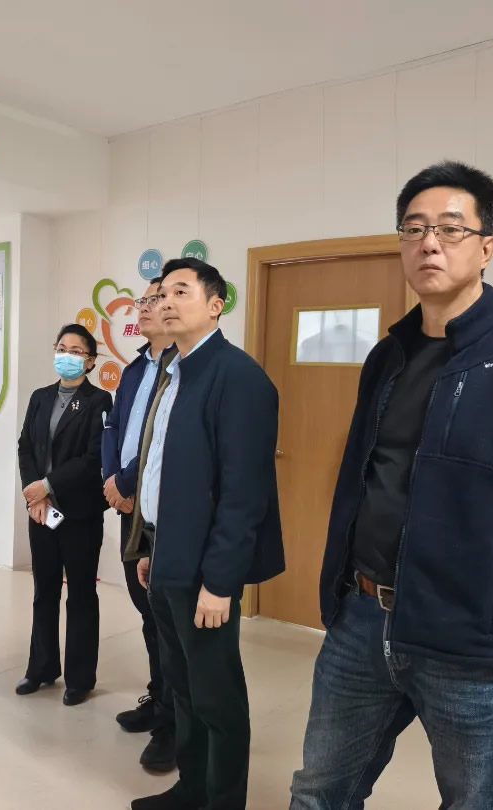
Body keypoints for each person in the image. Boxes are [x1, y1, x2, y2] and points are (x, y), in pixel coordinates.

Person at [290, 161, 493, 809]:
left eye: (451, 228)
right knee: (320, 790)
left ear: (486, 248)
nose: (429, 242)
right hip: (361, 620)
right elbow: (361, 481)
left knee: (473, 802)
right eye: (414, 228)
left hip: (468, 647)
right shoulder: (389, 355)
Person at [125, 258, 284, 810]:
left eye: (182, 292)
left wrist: (220, 582)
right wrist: (151, 545)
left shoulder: (238, 377)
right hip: (167, 551)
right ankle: (191, 789)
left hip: (205, 569)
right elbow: (163, 471)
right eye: (161, 293)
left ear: (216, 306)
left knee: (216, 692)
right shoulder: (174, 372)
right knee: (182, 684)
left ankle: (222, 800)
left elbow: (244, 495)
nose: (166, 302)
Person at [102, 281, 177, 773]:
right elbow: (114, 428)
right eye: (143, 301)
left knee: (168, 617)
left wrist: (126, 481)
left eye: (154, 300)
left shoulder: (182, 368)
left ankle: (175, 720)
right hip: (128, 504)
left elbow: (162, 440)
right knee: (147, 610)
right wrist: (112, 479)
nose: (145, 308)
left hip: (160, 505)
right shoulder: (134, 368)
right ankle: (159, 696)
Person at [16, 323, 112, 707]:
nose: (66, 356)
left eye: (76, 351)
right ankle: (41, 667)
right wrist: (34, 494)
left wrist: (48, 485)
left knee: (81, 594)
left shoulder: (99, 401)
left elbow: (93, 459)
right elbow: (25, 446)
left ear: (90, 361)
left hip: (79, 513)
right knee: (45, 590)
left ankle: (80, 678)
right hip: (41, 512)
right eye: (61, 348)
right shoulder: (40, 397)